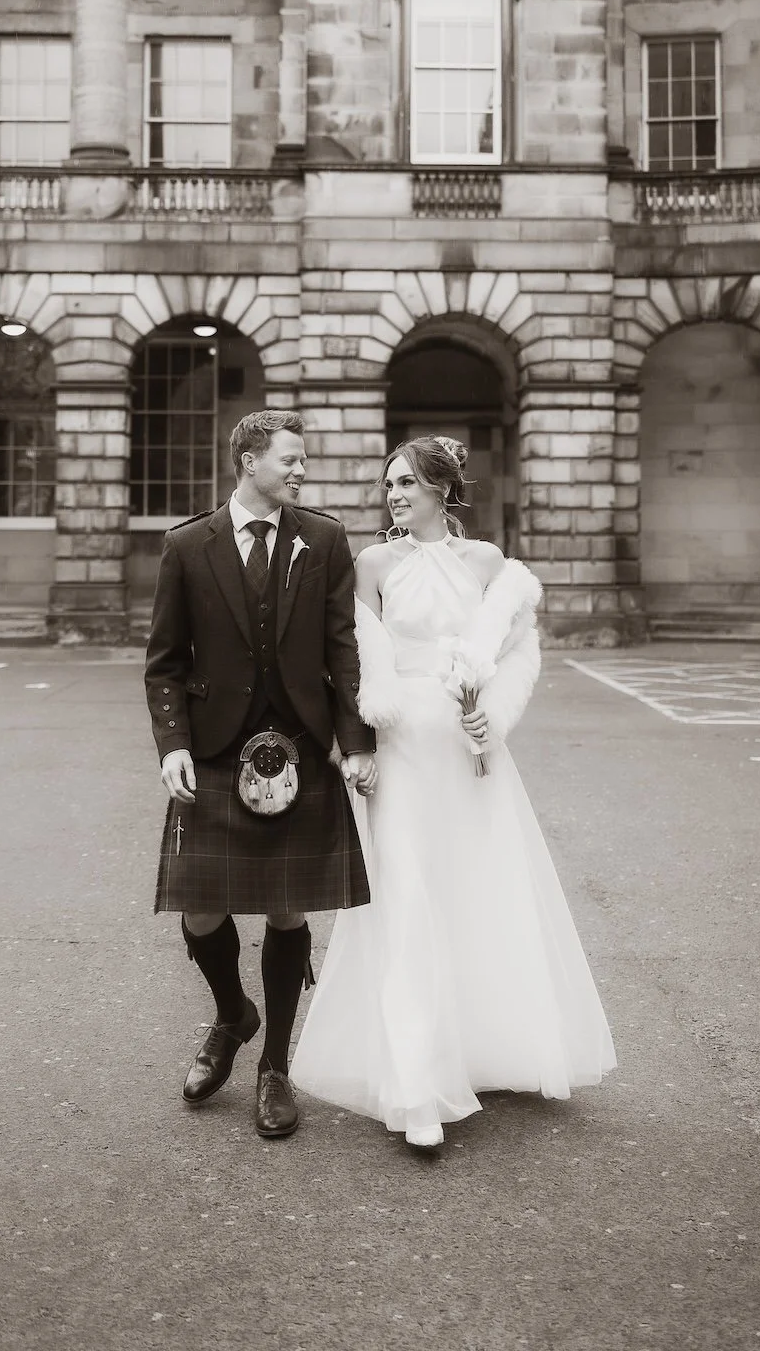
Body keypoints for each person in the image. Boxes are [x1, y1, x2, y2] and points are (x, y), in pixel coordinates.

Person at [291, 436, 615, 1152]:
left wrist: (490, 716)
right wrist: (358, 746)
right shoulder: (373, 565)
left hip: (469, 754)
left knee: (475, 892)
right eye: (389, 485)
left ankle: (478, 1049)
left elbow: (516, 650)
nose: (395, 495)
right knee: (405, 898)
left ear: (442, 489)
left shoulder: (488, 563)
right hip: (402, 750)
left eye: (407, 483)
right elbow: (352, 664)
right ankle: (416, 1086)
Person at [144, 410, 377, 1141]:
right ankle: (231, 1014)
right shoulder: (189, 544)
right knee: (200, 907)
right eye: (290, 459)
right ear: (249, 461)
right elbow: (165, 661)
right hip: (216, 747)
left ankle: (274, 1065)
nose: (301, 470)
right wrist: (172, 744)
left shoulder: (324, 538)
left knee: (285, 908)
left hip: (300, 746)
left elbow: (342, 645)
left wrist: (356, 740)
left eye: (302, 460)